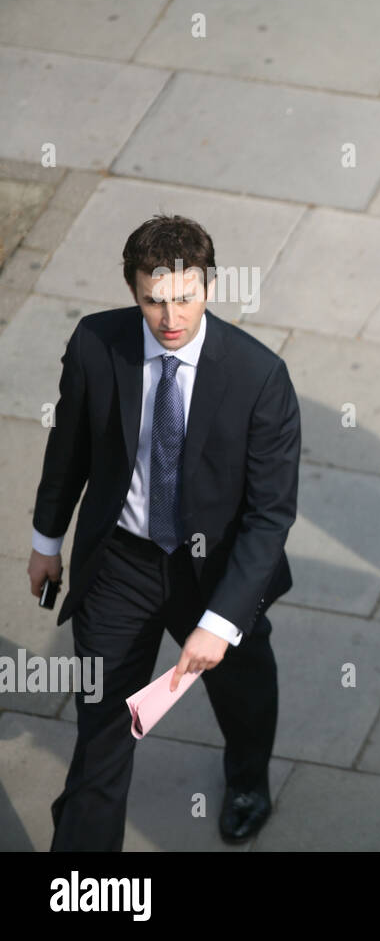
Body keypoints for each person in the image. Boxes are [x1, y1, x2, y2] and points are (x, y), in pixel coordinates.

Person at [26, 214, 300, 850]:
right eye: (154, 300)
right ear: (134, 292)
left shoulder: (260, 377)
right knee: (102, 736)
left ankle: (248, 781)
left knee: (243, 687)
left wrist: (223, 619)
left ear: (209, 286)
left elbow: (270, 514)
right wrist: (47, 543)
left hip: (220, 570)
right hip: (121, 562)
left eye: (184, 297)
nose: (170, 317)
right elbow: (68, 449)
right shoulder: (97, 345)